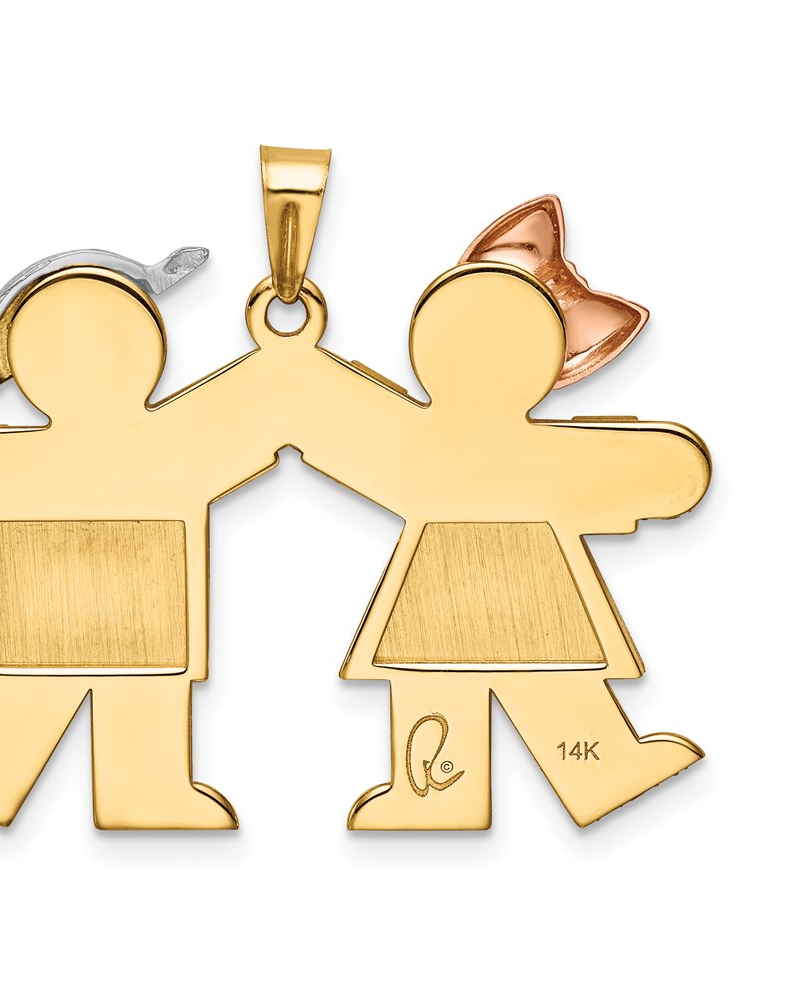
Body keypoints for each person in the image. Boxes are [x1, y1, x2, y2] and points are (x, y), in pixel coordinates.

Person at [282, 262, 710, 828]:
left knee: (472, 686)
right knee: (536, 682)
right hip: (516, 593)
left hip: (444, 595)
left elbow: (340, 427)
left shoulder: (414, 437)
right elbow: (658, 469)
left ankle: (459, 795)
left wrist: (297, 372)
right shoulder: (517, 448)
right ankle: (586, 772)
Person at [0, 266, 295, 828]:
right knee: (84, 703)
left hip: (100, 620)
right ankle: (19, 777)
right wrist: (282, 368)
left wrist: (280, 370)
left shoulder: (25, 457)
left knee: (87, 705)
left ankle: (115, 790)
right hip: (104, 619)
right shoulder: (177, 437)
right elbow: (255, 415)